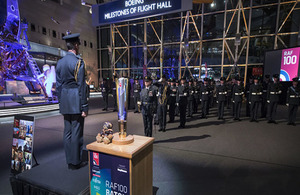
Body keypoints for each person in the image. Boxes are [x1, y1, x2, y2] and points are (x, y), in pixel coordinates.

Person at [56, 33, 89, 170]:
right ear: (76, 45)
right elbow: (81, 85)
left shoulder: (60, 62)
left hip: (65, 100)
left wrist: (61, 103)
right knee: (76, 132)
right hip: (76, 101)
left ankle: (69, 160)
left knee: (67, 132)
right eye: (79, 45)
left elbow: (58, 86)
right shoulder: (78, 62)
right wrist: (84, 106)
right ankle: (75, 162)